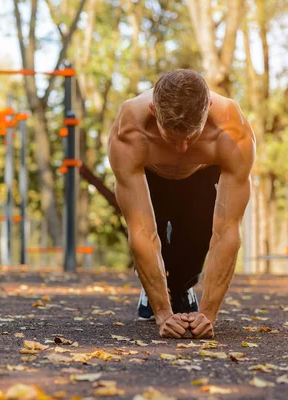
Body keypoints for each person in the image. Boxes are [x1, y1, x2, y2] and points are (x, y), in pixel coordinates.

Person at [107, 69, 255, 339]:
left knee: (196, 241)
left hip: (200, 175)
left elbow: (228, 230)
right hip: (150, 177)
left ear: (208, 107)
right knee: (155, 240)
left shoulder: (232, 131)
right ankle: (157, 295)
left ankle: (180, 283)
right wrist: (162, 314)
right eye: (172, 137)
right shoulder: (130, 131)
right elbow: (142, 232)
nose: (183, 149)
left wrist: (208, 314)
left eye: (192, 136)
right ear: (153, 110)